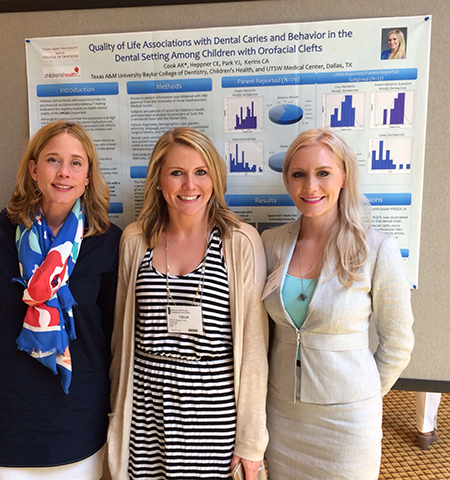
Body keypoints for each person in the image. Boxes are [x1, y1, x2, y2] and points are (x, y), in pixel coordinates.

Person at [108, 127, 268, 480]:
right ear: (158, 179)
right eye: (176, 173)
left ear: (215, 178)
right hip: (145, 413)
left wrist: (252, 440)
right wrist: (116, 413)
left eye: (201, 172)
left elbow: (255, 349)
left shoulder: (239, 242)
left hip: (213, 417)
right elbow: (121, 339)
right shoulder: (136, 241)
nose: (189, 186)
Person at [0, 121, 122, 479]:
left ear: (88, 176)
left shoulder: (107, 240)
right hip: (7, 411)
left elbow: (112, 335)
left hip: (79, 411)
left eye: (76, 163)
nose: (64, 172)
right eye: (53, 160)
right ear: (34, 169)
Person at [261, 128, 414, 479]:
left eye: (323, 173)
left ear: (344, 176)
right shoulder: (270, 243)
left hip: (347, 422)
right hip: (282, 412)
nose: (310, 187)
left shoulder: (376, 250)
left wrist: (363, 397)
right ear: (287, 180)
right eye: (298, 175)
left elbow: (398, 342)